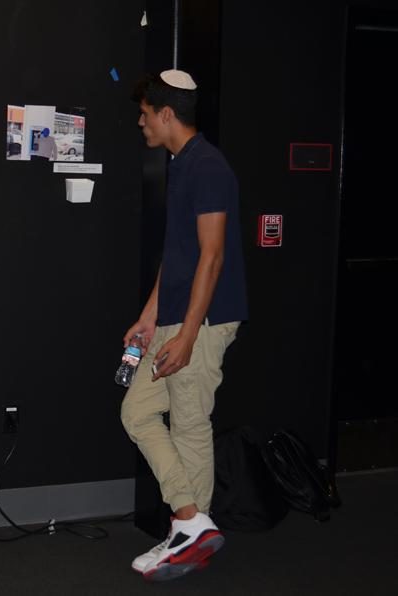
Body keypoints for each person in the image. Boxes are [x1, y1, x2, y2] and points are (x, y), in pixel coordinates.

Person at [120, 69, 248, 582]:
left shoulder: (209, 167)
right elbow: (179, 257)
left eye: (145, 114)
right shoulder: (182, 165)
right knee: (138, 412)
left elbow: (212, 259)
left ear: (166, 114)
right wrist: (150, 317)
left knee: (190, 425)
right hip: (175, 318)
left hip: (204, 321)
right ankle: (191, 521)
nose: (141, 122)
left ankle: (188, 530)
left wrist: (190, 334)